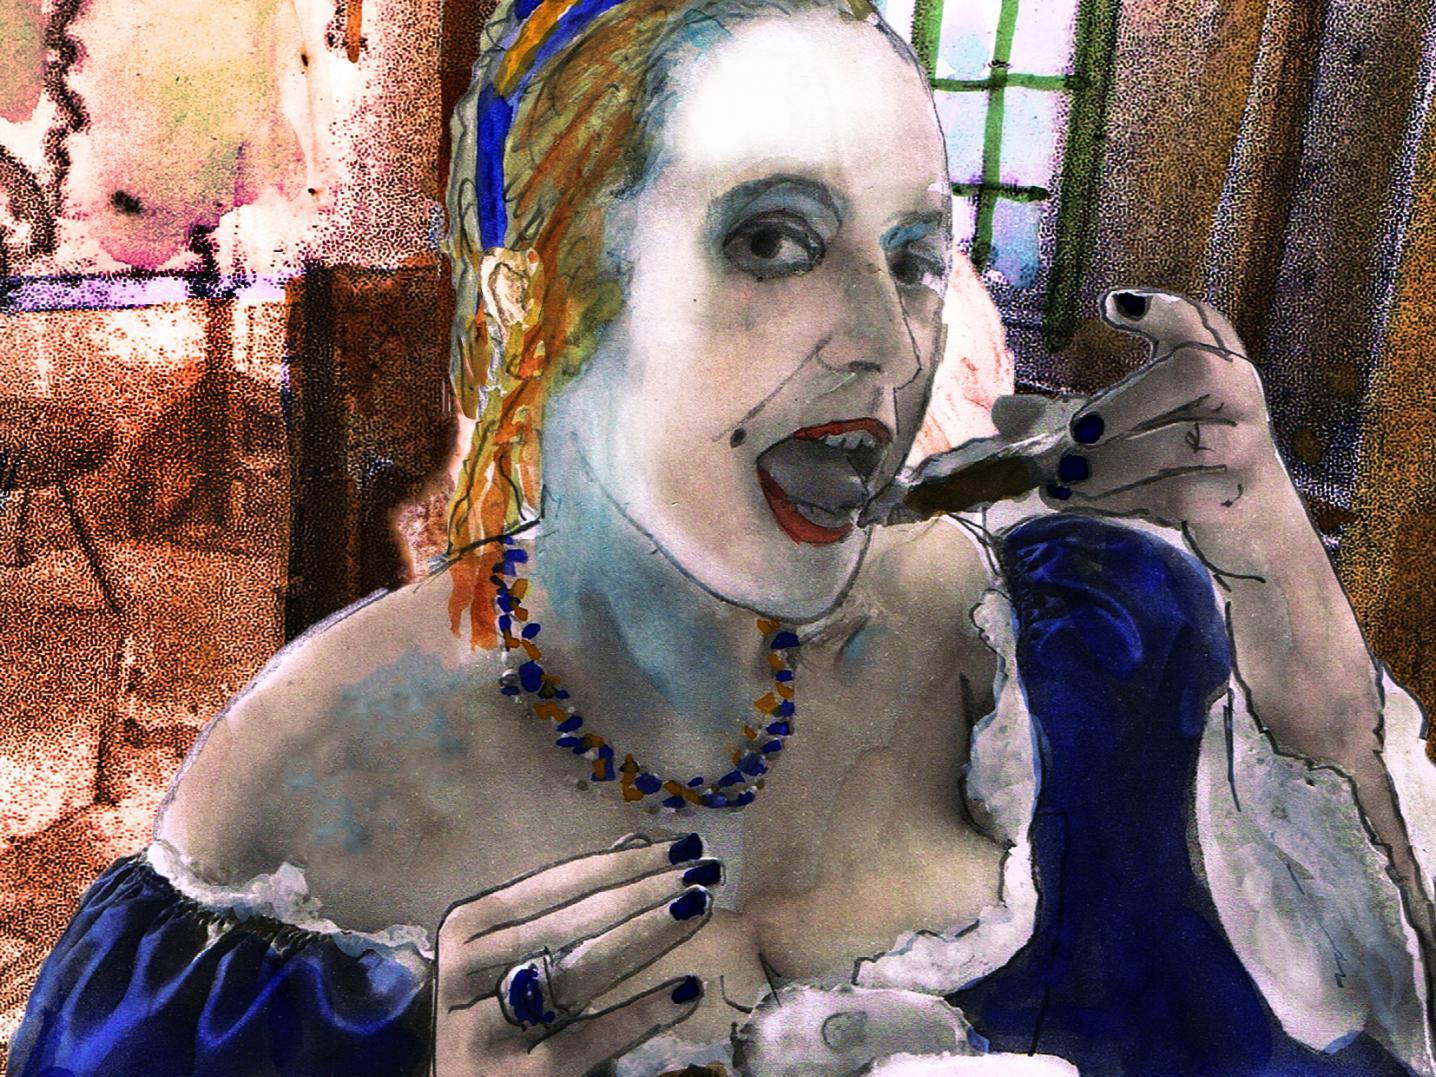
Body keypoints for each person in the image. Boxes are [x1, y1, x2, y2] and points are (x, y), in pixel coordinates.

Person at [12, 0, 1436, 1072]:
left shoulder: (1089, 650)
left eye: (913, 258)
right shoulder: (284, 824)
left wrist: (1295, 624)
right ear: (532, 306)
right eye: (772, 240)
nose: (889, 344)